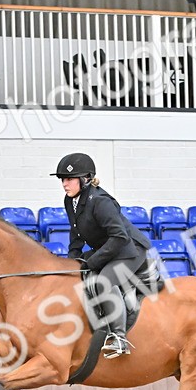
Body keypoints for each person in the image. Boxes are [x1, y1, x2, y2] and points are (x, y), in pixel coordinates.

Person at [52, 152, 152, 358]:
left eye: (69, 179)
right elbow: (76, 233)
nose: (64, 184)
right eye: (62, 179)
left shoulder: (100, 201)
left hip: (129, 249)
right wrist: (72, 263)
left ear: (85, 179)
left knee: (102, 282)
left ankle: (119, 338)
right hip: (108, 246)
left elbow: (119, 237)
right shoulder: (70, 200)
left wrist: (92, 262)